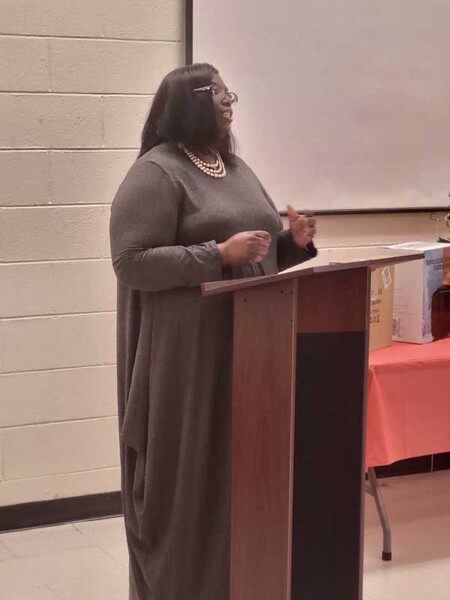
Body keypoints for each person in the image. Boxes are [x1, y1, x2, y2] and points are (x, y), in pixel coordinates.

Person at [109, 62, 317, 600]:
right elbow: (131, 262)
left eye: (230, 94)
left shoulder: (237, 168)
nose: (228, 102)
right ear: (186, 103)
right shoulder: (157, 172)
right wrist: (216, 254)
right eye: (217, 93)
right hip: (187, 356)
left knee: (244, 468)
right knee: (193, 475)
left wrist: (291, 239)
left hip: (251, 346)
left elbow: (261, 246)